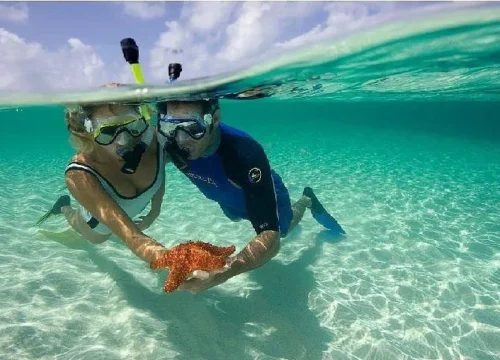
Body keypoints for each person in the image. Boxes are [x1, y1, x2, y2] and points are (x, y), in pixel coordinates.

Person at [157, 98, 345, 293]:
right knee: (235, 216)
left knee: (283, 229)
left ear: (214, 119)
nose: (180, 139)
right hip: (228, 199)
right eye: (171, 127)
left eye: (191, 127)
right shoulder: (169, 142)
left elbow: (270, 238)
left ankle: (307, 200)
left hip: (262, 191)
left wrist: (222, 273)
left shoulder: (244, 152)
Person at [36, 100, 171, 265]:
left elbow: (159, 175)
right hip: (96, 226)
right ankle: (64, 208)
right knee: (92, 234)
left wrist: (154, 211)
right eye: (108, 131)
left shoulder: (156, 143)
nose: (124, 140)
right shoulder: (79, 173)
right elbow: (131, 236)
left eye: (132, 125)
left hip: (127, 216)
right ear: (88, 131)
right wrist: (170, 260)